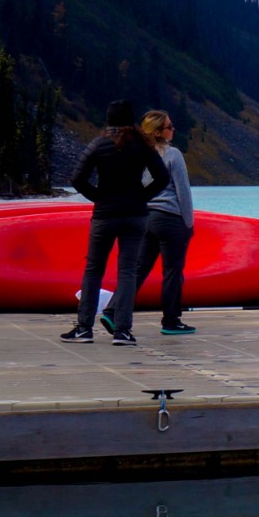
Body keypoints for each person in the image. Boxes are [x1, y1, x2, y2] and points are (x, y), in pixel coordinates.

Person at [61, 101, 170, 347]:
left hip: (105, 215)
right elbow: (162, 177)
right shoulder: (143, 145)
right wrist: (143, 195)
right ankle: (122, 331)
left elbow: (77, 178)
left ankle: (84, 328)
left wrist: (98, 196)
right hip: (135, 214)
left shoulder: (98, 144)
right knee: (128, 272)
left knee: (93, 270)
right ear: (131, 120)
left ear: (109, 120)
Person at [133, 111, 196, 335]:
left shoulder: (138, 154)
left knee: (139, 268)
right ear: (159, 132)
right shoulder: (173, 154)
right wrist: (189, 224)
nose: (173, 130)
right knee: (172, 271)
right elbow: (183, 192)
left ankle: (113, 310)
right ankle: (171, 320)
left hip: (145, 218)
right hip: (170, 219)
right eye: (170, 126)